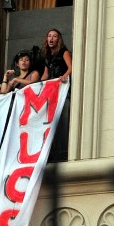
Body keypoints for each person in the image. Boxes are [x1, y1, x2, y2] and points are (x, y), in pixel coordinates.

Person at [41, 28, 72, 160]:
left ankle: (63, 151)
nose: (51, 39)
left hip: (63, 90)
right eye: (49, 36)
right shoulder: (47, 56)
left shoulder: (64, 52)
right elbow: (46, 75)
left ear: (58, 39)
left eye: (54, 36)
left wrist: (64, 76)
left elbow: (72, 67)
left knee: (63, 118)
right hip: (52, 92)